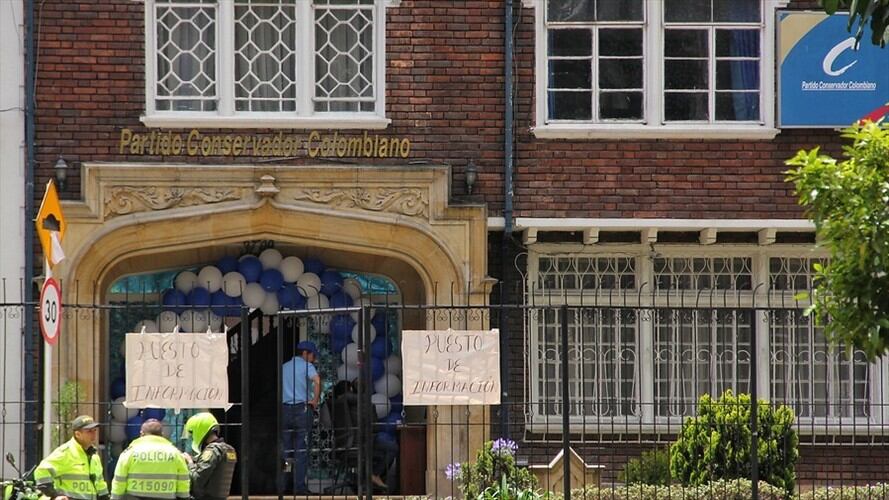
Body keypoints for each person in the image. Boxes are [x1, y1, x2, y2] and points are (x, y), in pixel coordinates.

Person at [110, 419, 190, 500]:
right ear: (162, 434)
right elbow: (183, 481)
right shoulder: (175, 453)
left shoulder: (129, 452)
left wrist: (115, 498)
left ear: (141, 434)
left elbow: (119, 481)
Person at [34, 415, 110, 500]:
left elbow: (100, 485)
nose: (93, 434)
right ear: (78, 434)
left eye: (94, 430)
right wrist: (54, 495)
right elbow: (41, 471)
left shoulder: (94, 456)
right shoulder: (65, 452)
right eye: (89, 431)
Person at [282, 340, 321, 494]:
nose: (313, 358)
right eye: (312, 355)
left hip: (284, 410)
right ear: (305, 353)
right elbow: (317, 381)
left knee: (286, 451)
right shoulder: (307, 366)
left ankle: (284, 486)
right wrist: (315, 401)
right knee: (301, 450)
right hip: (302, 410)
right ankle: (299, 487)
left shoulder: (284, 367)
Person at [182, 413, 237, 500]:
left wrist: (190, 463)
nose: (192, 437)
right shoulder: (229, 449)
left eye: (192, 433)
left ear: (199, 429)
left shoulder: (212, 451)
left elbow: (197, 481)